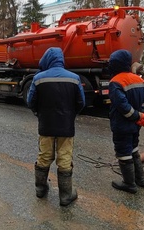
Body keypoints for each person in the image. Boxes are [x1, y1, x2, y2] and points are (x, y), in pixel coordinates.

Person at [27, 47, 85, 206]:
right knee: (64, 158)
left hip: (45, 126)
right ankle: (65, 196)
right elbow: (81, 103)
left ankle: (40, 189)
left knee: (44, 156)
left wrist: (39, 114)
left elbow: (30, 102)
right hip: (66, 127)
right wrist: (70, 115)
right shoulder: (74, 78)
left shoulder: (38, 78)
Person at [108, 49, 144, 194]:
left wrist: (136, 116)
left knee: (123, 152)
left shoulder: (115, 82)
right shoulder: (139, 80)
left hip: (122, 125)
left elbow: (122, 106)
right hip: (136, 125)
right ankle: (140, 180)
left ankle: (129, 184)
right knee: (134, 149)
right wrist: (143, 114)